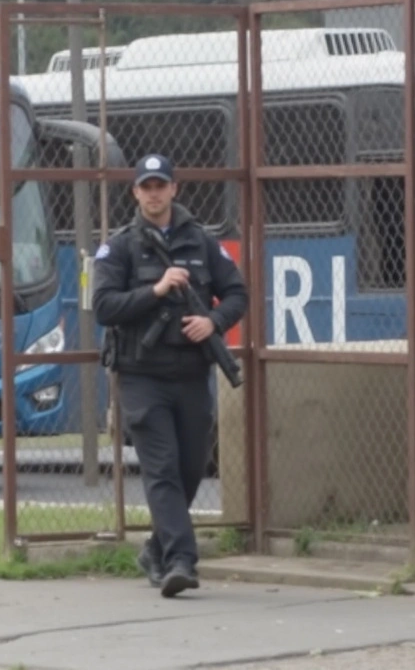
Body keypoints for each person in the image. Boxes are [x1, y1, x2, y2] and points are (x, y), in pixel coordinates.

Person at [92, 153, 249, 598]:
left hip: (191, 373)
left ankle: (155, 550)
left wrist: (214, 323)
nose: (155, 193)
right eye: (147, 186)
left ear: (174, 189)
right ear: (135, 193)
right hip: (141, 376)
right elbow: (103, 307)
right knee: (161, 468)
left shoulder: (201, 241)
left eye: (162, 185)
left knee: (192, 466)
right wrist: (156, 290)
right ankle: (182, 559)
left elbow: (237, 292)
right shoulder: (118, 247)